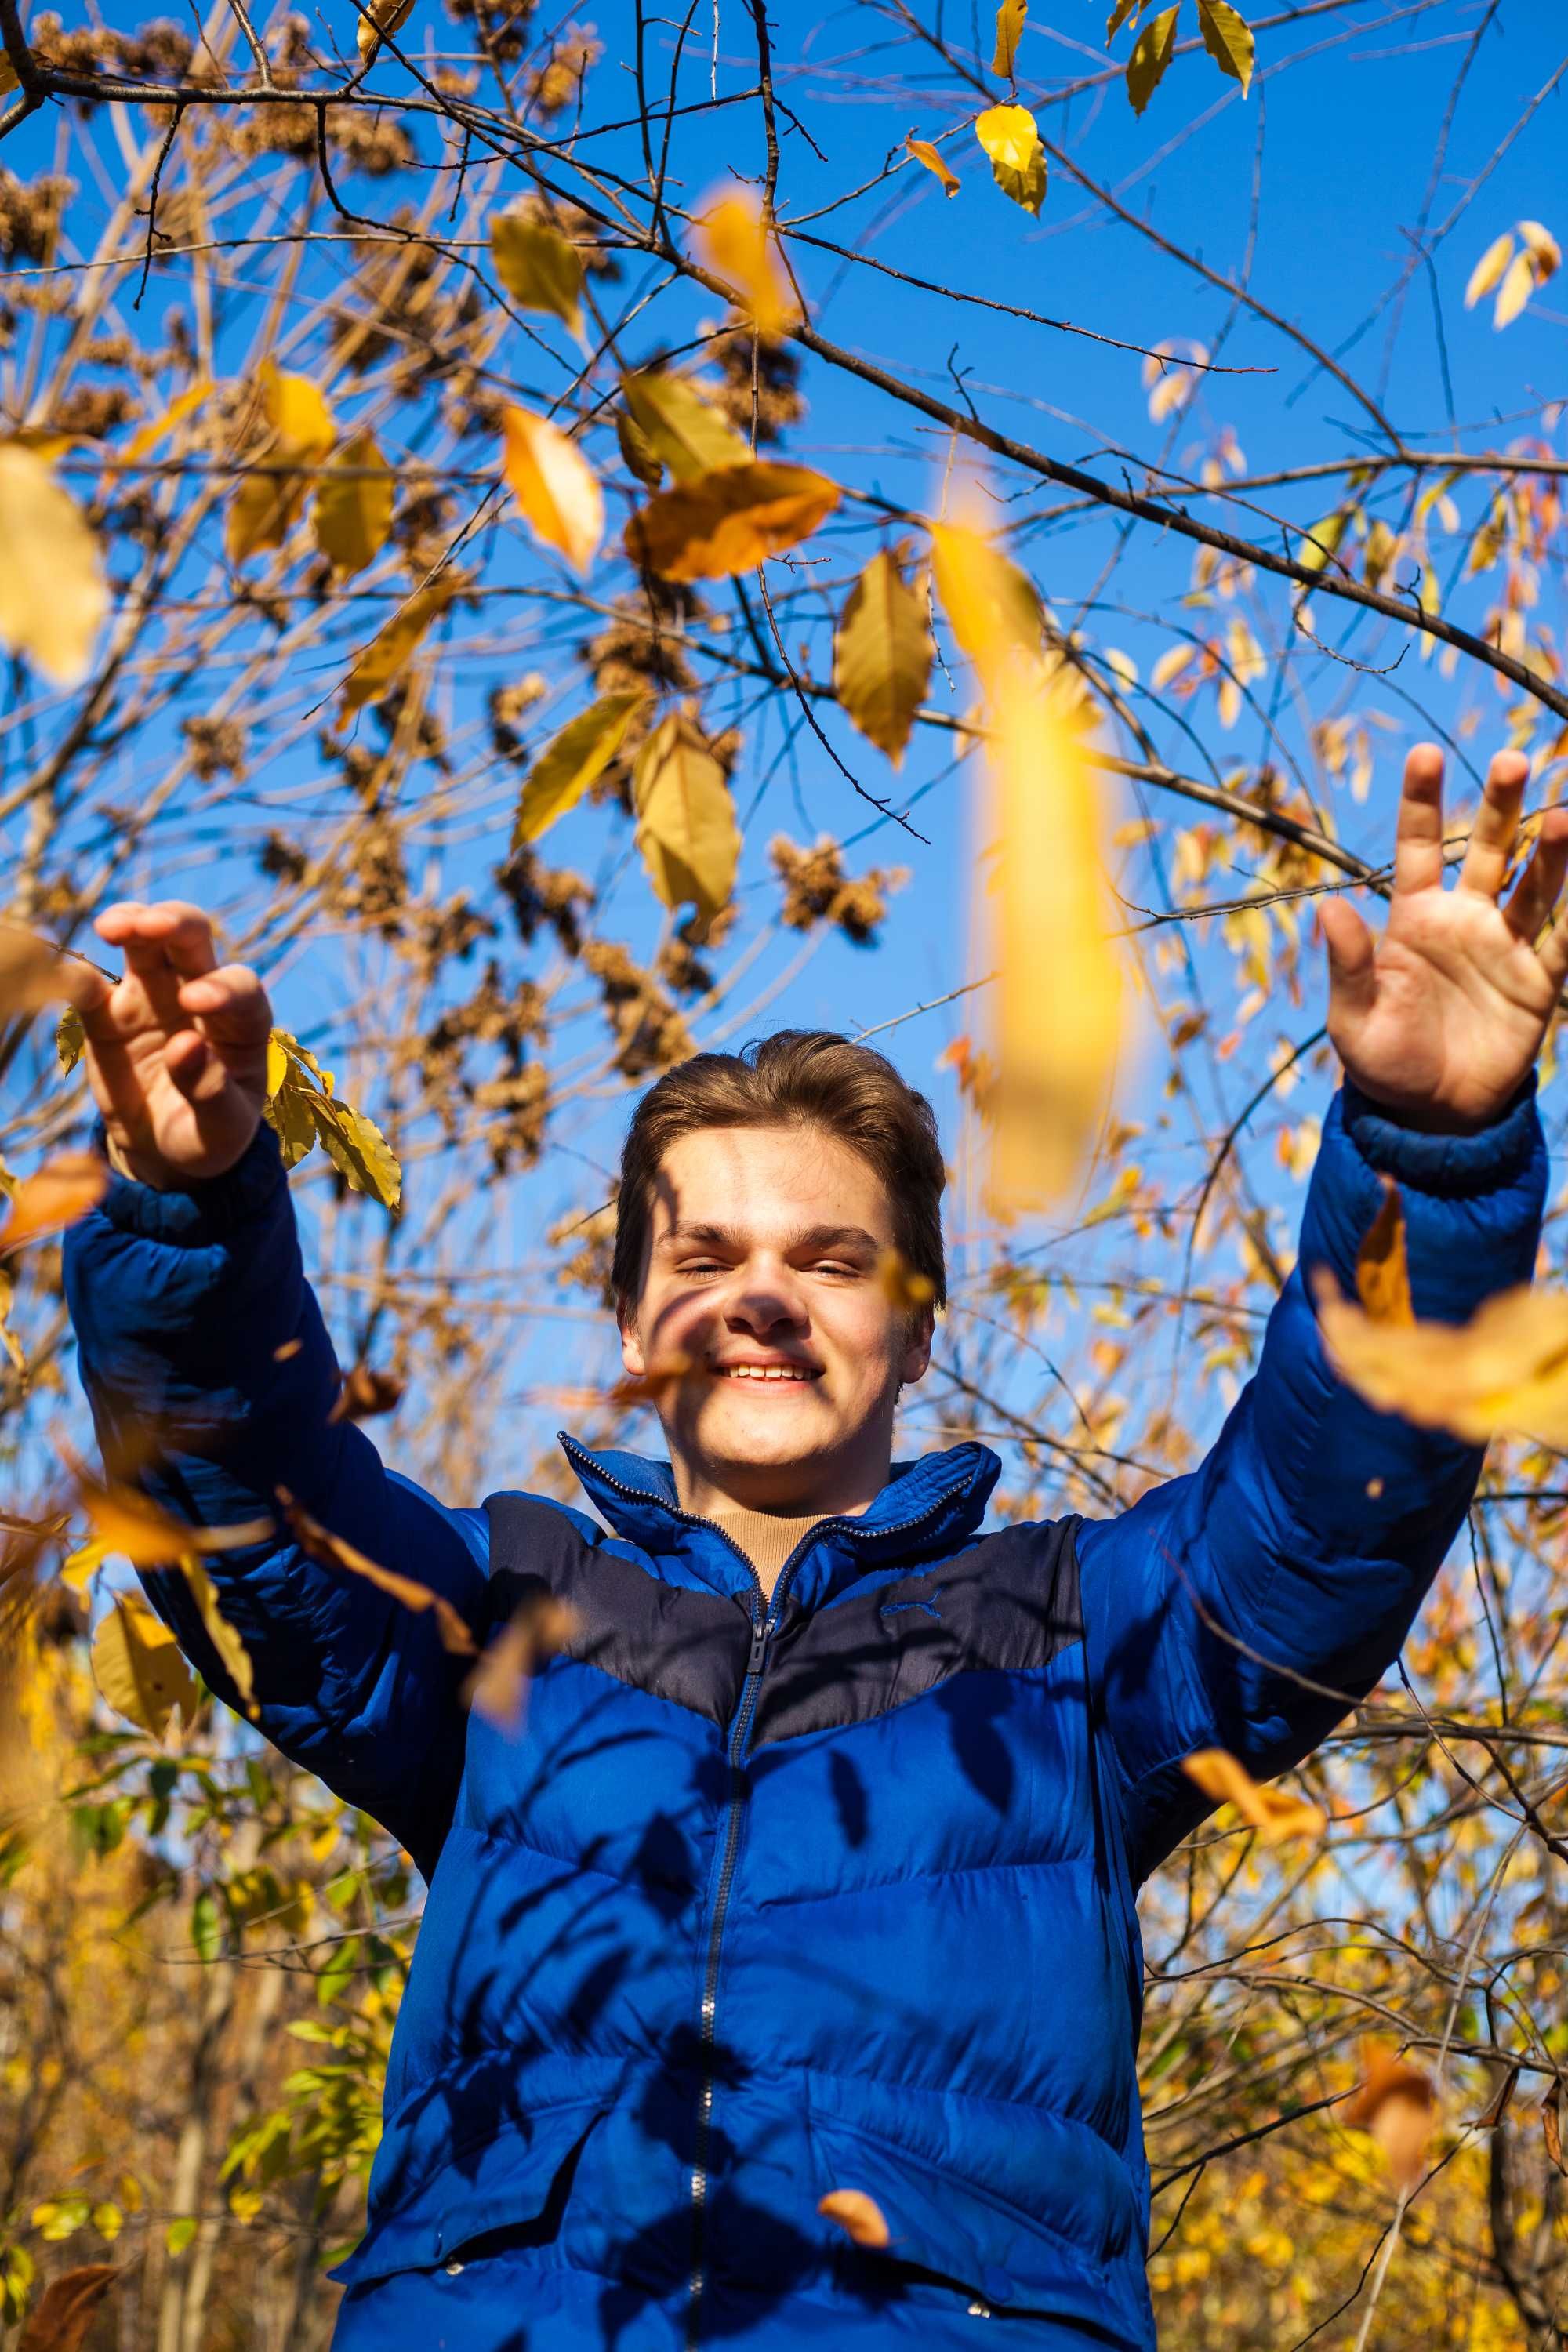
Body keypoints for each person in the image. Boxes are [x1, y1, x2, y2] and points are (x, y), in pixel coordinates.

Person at [63, 746, 1561, 2352]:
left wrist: (1421, 1153)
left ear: (916, 1329)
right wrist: (185, 1208)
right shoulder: (505, 1613)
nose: (763, 1299)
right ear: (636, 1318)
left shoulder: (1075, 1637)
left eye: (830, 1257)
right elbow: (241, 1499)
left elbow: (1315, 1522)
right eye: (705, 1256)